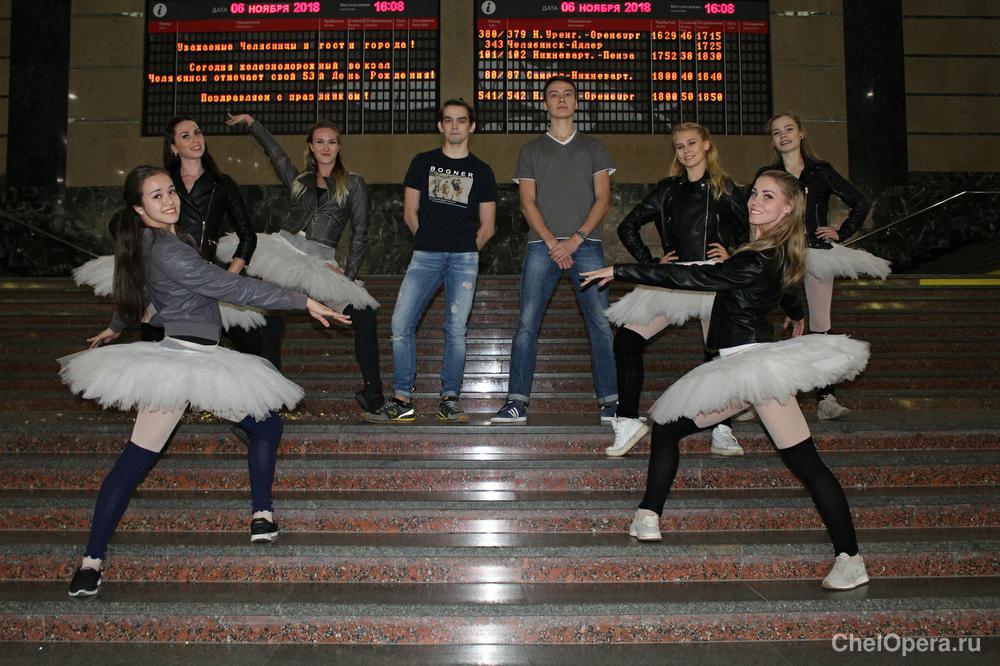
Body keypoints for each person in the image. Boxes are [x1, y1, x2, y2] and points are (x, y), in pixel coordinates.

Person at [59, 166, 345, 597]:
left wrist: (116, 326)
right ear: (139, 208)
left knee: (265, 424)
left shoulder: (161, 243)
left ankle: (260, 516)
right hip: (182, 361)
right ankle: (91, 560)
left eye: (170, 191)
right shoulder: (168, 251)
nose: (169, 200)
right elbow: (231, 288)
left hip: (203, 358)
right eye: (156, 196)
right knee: (136, 461)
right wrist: (301, 300)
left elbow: (140, 294)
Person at [580, 170, 871, 591]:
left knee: (807, 465)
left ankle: (850, 558)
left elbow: (694, 278)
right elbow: (778, 289)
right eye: (755, 193)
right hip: (736, 370)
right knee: (667, 427)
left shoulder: (759, 257)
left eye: (768, 197)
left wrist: (623, 270)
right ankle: (647, 515)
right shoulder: (768, 251)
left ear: (788, 208)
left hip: (754, 371)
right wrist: (794, 311)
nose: (755, 201)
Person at [226, 112, 385, 414]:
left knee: (363, 314)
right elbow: (276, 154)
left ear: (339, 146)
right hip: (284, 252)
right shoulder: (299, 180)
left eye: (332, 142)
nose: (326, 147)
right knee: (270, 318)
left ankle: (373, 392)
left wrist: (349, 276)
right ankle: (268, 398)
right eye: (320, 142)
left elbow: (361, 232)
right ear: (311, 146)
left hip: (320, 261)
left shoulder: (353, 184)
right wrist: (252, 124)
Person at [608, 122, 748, 457]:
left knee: (718, 355)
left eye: (692, 143)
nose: (686, 151)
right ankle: (627, 420)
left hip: (713, 279)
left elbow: (752, 230)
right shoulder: (667, 190)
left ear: (707, 145)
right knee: (626, 340)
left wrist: (734, 253)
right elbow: (628, 226)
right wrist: (652, 262)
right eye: (679, 146)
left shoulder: (726, 188)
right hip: (675, 279)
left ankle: (722, 428)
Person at [490, 76, 617, 424]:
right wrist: (552, 243)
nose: (561, 99)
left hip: (586, 245)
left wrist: (574, 240)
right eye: (554, 95)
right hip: (541, 246)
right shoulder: (531, 150)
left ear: (576, 102)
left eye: (567, 94)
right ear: (544, 103)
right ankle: (516, 402)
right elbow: (526, 203)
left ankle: (611, 402)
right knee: (526, 323)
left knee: (600, 324)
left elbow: (603, 199)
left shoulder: (594, 147)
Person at [365, 99, 497, 422]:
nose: (454, 126)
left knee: (455, 329)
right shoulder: (422, 162)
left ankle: (449, 399)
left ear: (471, 126)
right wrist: (428, 242)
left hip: (463, 259)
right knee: (400, 323)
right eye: (448, 120)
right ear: (440, 126)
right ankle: (401, 399)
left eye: (461, 120)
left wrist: (467, 251)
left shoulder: (482, 171)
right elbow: (410, 213)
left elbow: (489, 226)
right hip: (425, 256)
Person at [762, 112, 889, 420]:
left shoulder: (821, 170)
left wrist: (841, 232)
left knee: (820, 325)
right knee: (768, 319)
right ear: (773, 140)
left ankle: (825, 397)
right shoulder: (769, 174)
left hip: (817, 253)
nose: (783, 135)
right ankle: (762, 397)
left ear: (801, 133)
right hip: (781, 253)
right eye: (777, 132)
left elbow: (860, 201)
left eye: (789, 129)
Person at [160, 116, 286, 371]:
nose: (195, 139)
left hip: (209, 273)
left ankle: (258, 391)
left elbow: (247, 235)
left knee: (258, 337)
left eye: (198, 132)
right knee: (164, 352)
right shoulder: (162, 182)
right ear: (173, 147)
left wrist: (229, 277)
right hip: (170, 276)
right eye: (185, 136)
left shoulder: (222, 183)